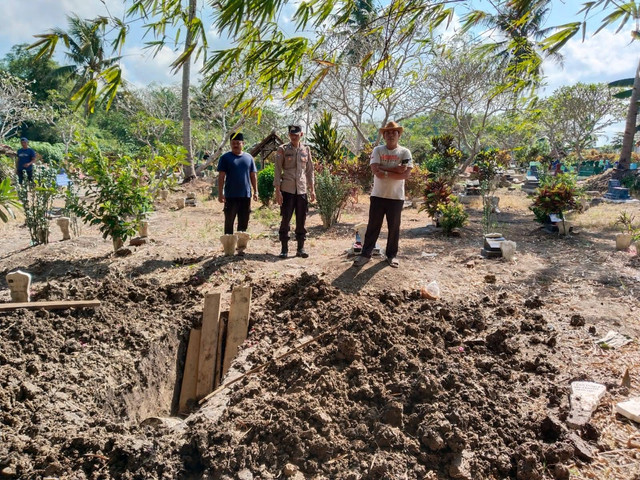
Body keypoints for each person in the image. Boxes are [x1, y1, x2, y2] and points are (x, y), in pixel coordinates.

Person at [353, 121, 412, 268]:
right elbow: (375, 171)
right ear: (384, 135)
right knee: (373, 226)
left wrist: (384, 169)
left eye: (394, 132)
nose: (391, 135)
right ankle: (365, 255)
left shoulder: (405, 152)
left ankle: (391, 256)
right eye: (388, 133)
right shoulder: (377, 150)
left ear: (399, 135)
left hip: (396, 197)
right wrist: (394, 170)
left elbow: (405, 174)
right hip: (378, 195)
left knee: (394, 228)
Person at [274, 125, 316, 258]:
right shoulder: (283, 149)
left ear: (301, 135)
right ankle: (284, 249)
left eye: (296, 135)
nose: (294, 137)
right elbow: (277, 170)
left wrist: (312, 189)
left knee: (301, 219)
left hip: (302, 190)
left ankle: (300, 248)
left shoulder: (306, 149)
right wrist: (277, 191)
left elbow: (309, 170)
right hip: (287, 189)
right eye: (291, 135)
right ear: (289, 135)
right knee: (286, 219)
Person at [217, 132, 258, 252]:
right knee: (229, 221)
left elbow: (253, 175)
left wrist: (256, 191)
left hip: (245, 195)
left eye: (238, 143)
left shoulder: (249, 158)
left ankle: (241, 247)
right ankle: (228, 247)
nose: (235, 145)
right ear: (230, 144)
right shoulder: (225, 158)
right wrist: (220, 193)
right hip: (231, 195)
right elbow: (221, 177)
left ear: (243, 144)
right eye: (233, 143)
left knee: (243, 221)